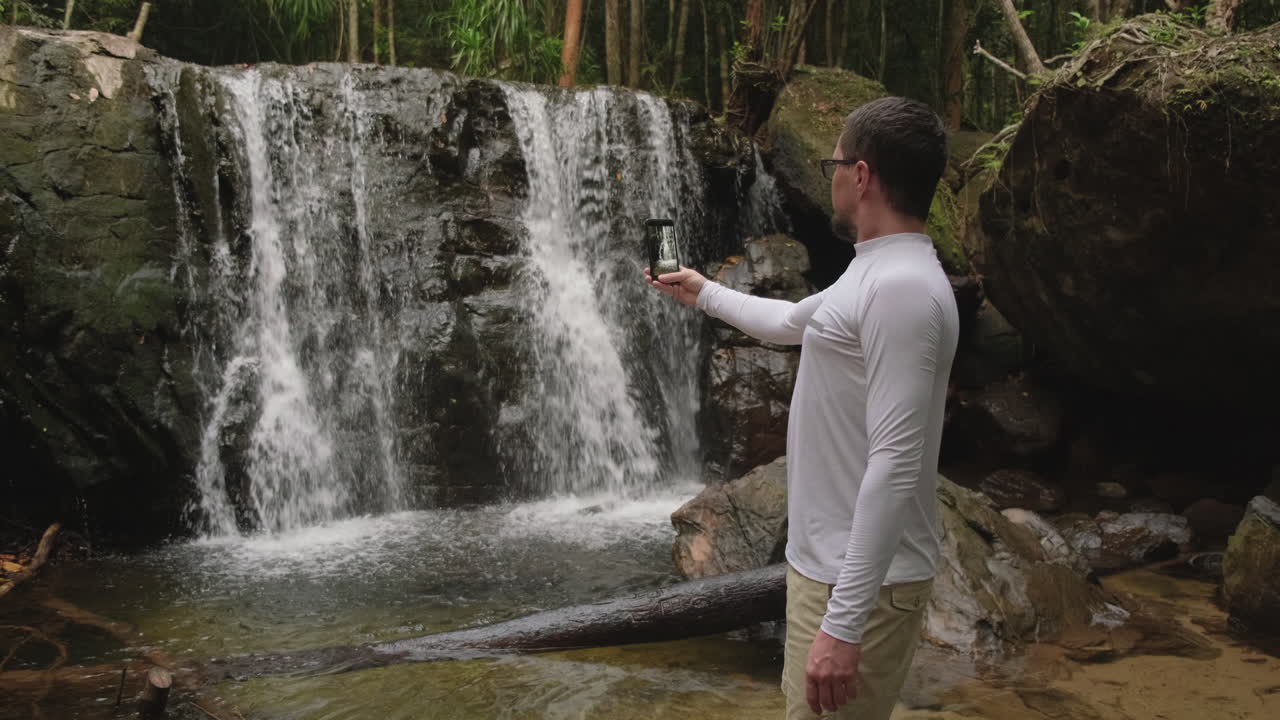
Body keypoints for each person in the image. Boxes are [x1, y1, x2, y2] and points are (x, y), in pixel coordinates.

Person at [645, 96, 958, 719]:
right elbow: (793, 320)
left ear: (861, 176)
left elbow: (896, 463)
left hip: (857, 588)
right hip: (835, 574)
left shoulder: (902, 291)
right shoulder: (877, 271)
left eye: (833, 163)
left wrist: (842, 627)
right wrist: (703, 292)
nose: (832, 175)